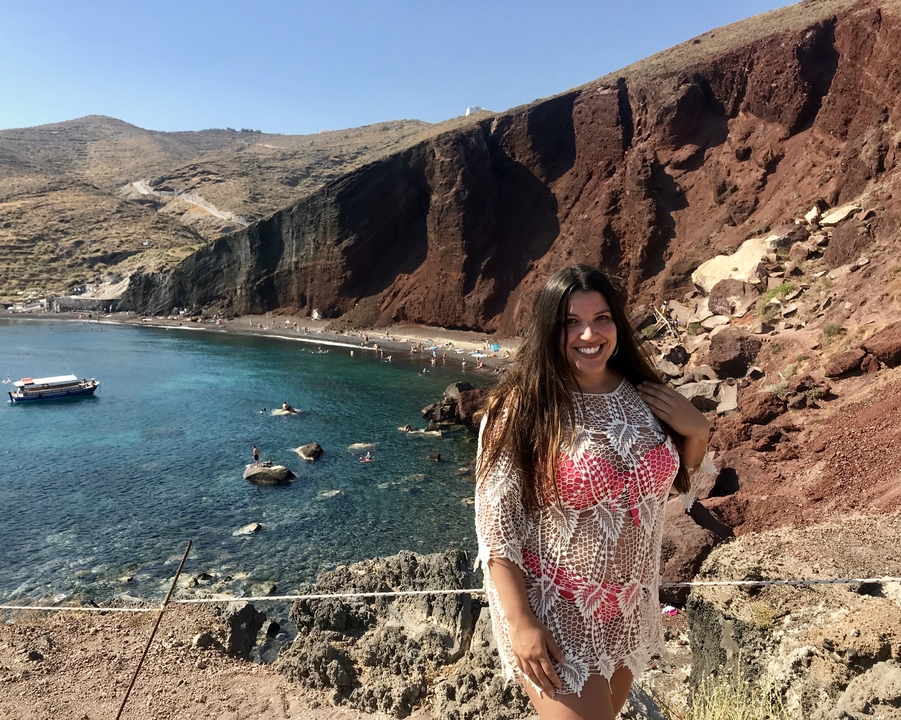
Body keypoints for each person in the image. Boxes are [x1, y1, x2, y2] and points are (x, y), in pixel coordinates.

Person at [475, 265, 713, 720]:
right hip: (555, 615)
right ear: (550, 328)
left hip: (626, 614)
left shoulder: (645, 397)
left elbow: (680, 490)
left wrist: (697, 435)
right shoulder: (523, 408)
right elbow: (495, 526)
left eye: (602, 318)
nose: (589, 333)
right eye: (571, 321)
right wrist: (521, 622)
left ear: (617, 323)